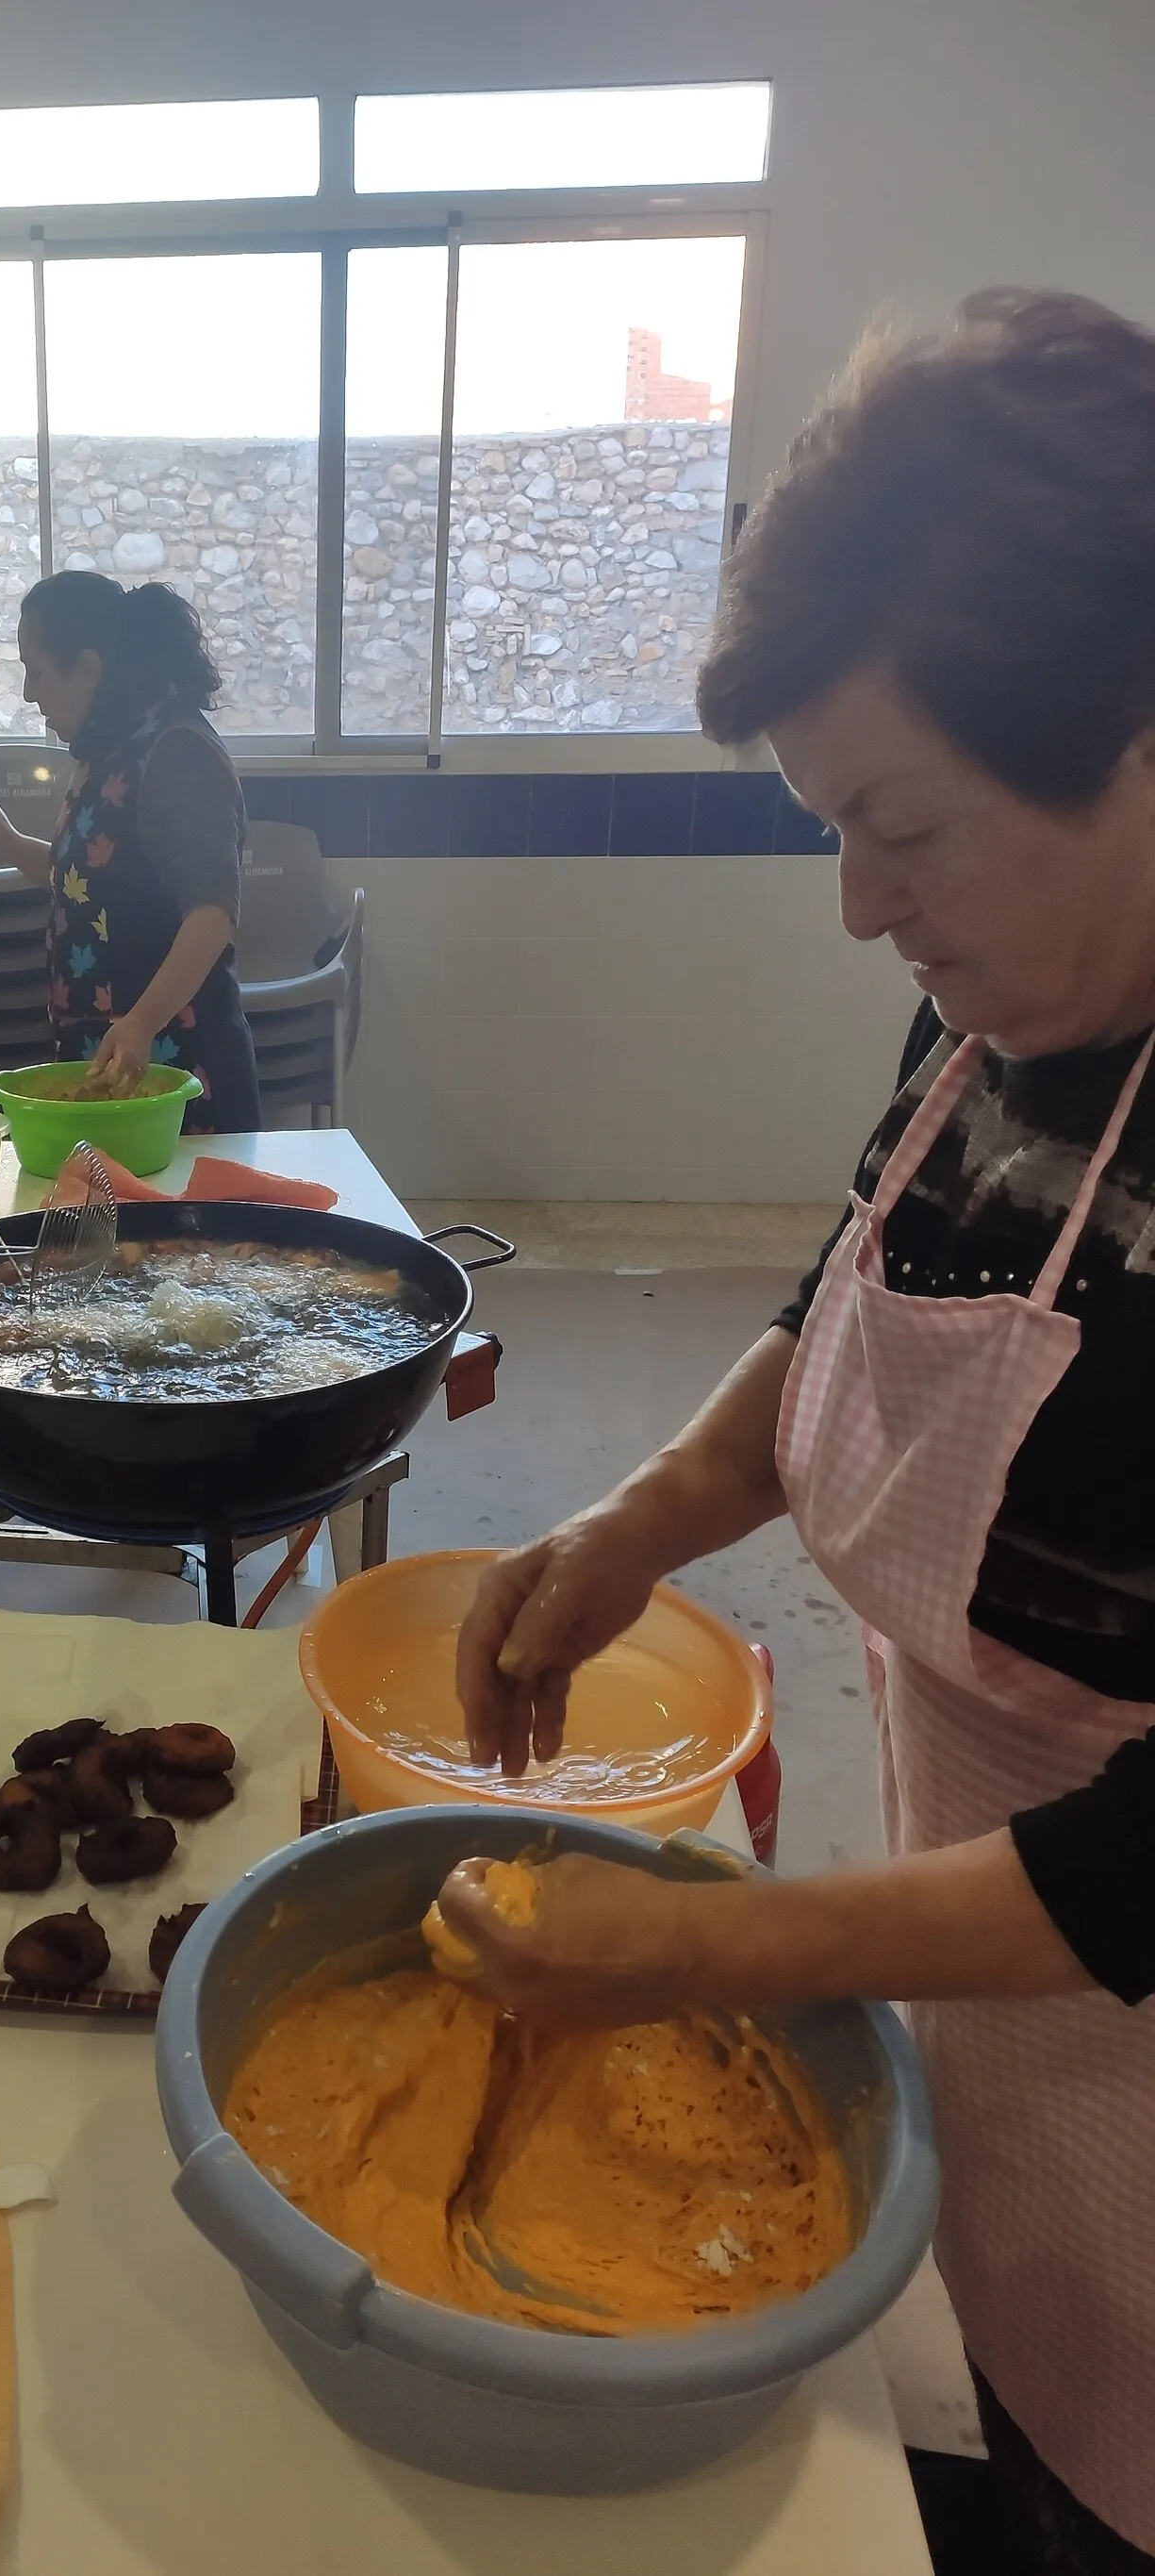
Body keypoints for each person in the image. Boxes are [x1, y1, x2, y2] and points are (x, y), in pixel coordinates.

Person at [442, 292, 1155, 2574]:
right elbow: (862, 1302)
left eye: (903, 824)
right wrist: (638, 1517)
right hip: (1020, 2034)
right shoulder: (1007, 1008)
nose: (860, 906)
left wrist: (697, 1945)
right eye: (830, 829)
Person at [0, 573, 261, 1132]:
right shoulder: (113, 750)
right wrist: (9, 842)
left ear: (89, 668)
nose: (28, 693)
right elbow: (95, 885)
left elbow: (213, 913)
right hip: (118, 1064)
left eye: (37, 671)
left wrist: (141, 1023)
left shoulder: (176, 752)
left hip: (181, 1073)